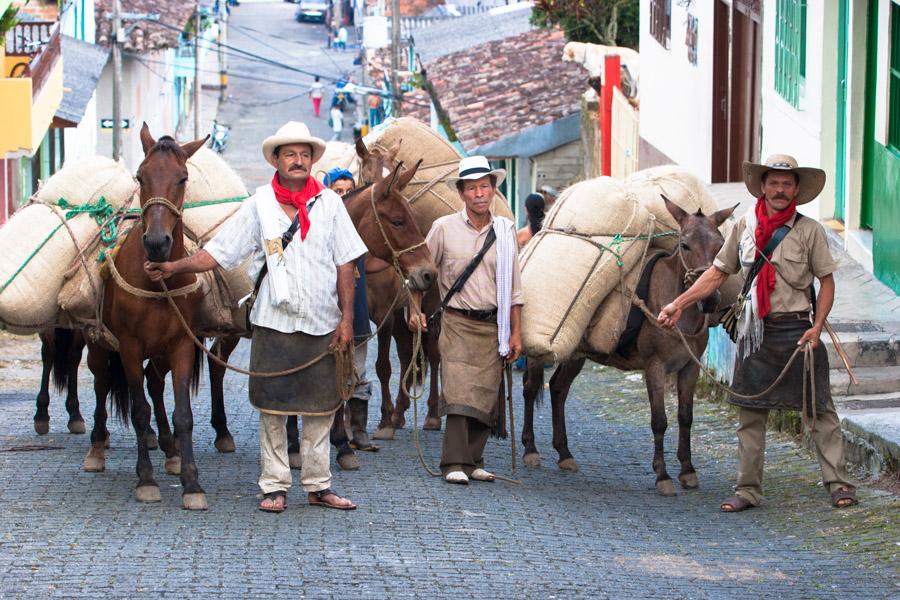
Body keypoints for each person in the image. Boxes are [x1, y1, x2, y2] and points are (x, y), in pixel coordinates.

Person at [144, 122, 366, 513]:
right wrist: (175, 266)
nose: (297, 161)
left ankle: (318, 485)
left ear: (312, 161)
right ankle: (275, 486)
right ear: (277, 161)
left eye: (304, 155)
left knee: (322, 409)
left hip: (322, 322)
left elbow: (346, 263)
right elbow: (221, 252)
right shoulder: (260, 204)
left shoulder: (330, 204)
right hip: (273, 322)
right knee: (272, 409)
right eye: (289, 155)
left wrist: (347, 320)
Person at [657, 154, 858, 512]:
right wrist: (679, 304)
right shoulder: (743, 228)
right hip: (755, 333)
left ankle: (839, 484)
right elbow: (717, 273)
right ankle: (748, 491)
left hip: (799, 331)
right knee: (750, 415)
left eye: (787, 183)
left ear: (796, 189)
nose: (780, 190)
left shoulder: (810, 231)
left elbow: (826, 283)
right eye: (774, 183)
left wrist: (816, 326)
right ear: (763, 187)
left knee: (820, 411)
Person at [407, 155, 524, 485]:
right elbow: (422, 273)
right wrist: (415, 308)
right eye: (471, 188)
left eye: (484, 187)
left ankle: (474, 461)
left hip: (493, 326)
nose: (479, 194)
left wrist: (516, 333)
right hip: (457, 322)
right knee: (458, 391)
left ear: (493, 190)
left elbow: (515, 288)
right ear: (461, 193)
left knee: (486, 393)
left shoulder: (505, 232)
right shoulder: (443, 228)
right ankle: (453, 462)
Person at [322, 167, 378, 452]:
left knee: (358, 372)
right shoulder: (320, 230)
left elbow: (369, 265)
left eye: (348, 190)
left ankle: (359, 430)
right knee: (331, 375)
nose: (344, 196)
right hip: (327, 319)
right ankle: (336, 429)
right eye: (338, 191)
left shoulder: (360, 232)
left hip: (356, 318)